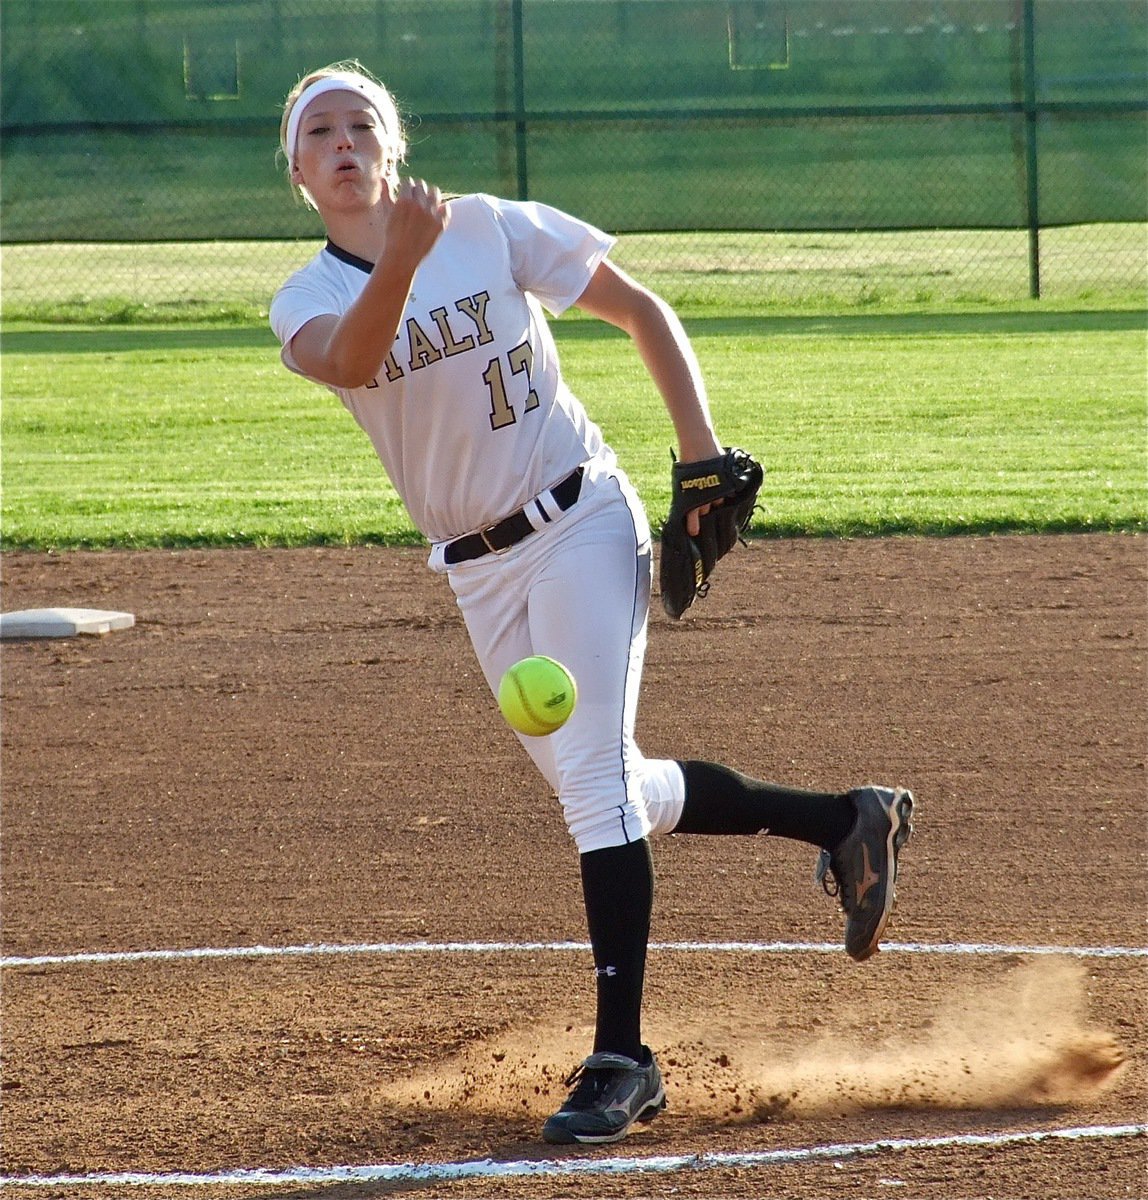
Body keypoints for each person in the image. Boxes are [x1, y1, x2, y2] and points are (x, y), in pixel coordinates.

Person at [269, 60, 914, 1147]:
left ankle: (624, 1058)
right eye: (319, 132)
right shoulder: (307, 297)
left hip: (579, 520)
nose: (343, 143)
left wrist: (702, 459)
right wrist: (405, 261)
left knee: (589, 796)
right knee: (611, 786)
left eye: (361, 125)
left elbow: (641, 312)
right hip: (476, 572)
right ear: (294, 171)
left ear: (395, 148)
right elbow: (357, 356)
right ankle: (845, 820)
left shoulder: (488, 226)